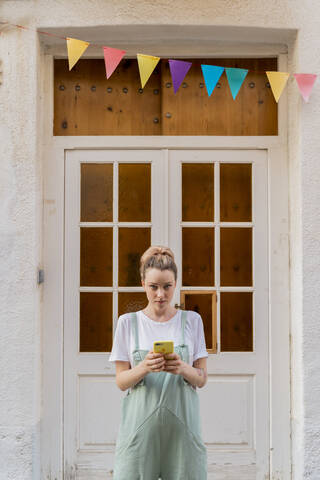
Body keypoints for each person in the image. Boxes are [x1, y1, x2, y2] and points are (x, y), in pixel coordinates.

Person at [109, 245, 208, 479]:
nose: (160, 294)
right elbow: (121, 382)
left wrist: (182, 367)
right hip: (139, 435)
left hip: (182, 434)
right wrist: (144, 367)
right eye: (153, 287)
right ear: (143, 284)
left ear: (175, 284)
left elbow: (202, 379)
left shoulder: (192, 321)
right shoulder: (127, 323)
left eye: (167, 286)